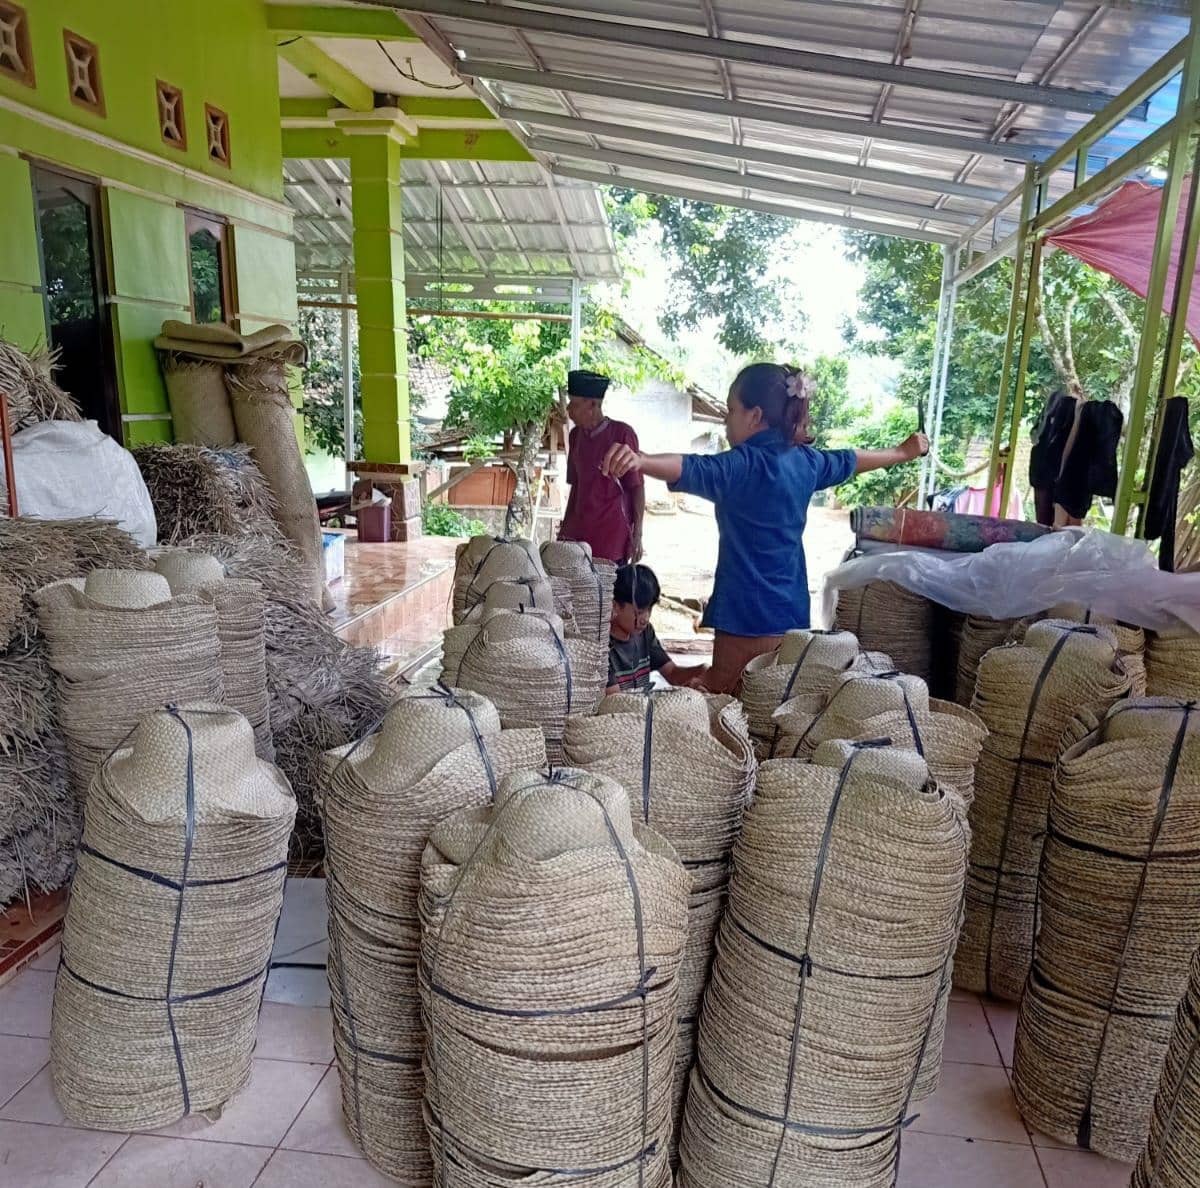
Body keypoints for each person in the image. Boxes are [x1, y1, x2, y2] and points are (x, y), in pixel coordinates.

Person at [602, 362, 928, 694]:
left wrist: (641, 460)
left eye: (731, 410)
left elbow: (693, 467)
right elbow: (851, 460)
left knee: (725, 708)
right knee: (769, 710)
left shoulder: (743, 464)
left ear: (755, 416)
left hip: (744, 613)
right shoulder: (807, 461)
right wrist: (903, 452)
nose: (726, 420)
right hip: (791, 612)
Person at [558, 369, 645, 564]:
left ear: (593, 405)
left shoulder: (623, 434)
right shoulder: (575, 436)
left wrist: (637, 534)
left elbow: (637, 487)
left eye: (575, 404)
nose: (569, 410)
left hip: (611, 538)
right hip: (578, 537)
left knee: (609, 591)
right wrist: (565, 531)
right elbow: (576, 487)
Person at [607, 563, 705, 694]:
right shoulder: (601, 647)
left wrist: (702, 671)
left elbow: (671, 673)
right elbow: (616, 699)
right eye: (640, 611)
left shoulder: (645, 633)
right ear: (615, 606)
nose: (645, 618)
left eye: (649, 609)